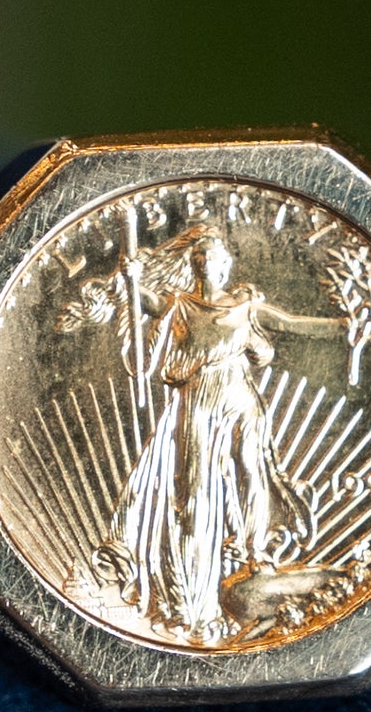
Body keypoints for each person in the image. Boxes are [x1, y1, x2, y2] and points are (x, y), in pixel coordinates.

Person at [94, 224, 344, 644]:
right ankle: (192, 584)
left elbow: (292, 324)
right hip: (198, 397)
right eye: (198, 258)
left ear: (226, 265)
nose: (204, 262)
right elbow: (143, 298)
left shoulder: (246, 306)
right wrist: (128, 273)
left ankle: (254, 551)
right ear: (193, 266)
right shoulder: (179, 304)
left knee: (252, 469)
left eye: (211, 256)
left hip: (239, 392)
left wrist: (346, 326)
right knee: (194, 490)